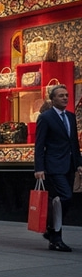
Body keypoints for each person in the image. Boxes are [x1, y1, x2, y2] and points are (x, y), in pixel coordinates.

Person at [34, 83, 82, 252]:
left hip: (69, 165)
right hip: (53, 166)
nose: (65, 98)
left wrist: (79, 163)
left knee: (62, 201)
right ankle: (53, 230)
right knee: (65, 197)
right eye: (61, 96)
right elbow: (39, 145)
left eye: (66, 95)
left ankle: (54, 235)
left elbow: (74, 142)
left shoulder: (70, 116)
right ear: (52, 99)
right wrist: (39, 168)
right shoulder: (46, 117)